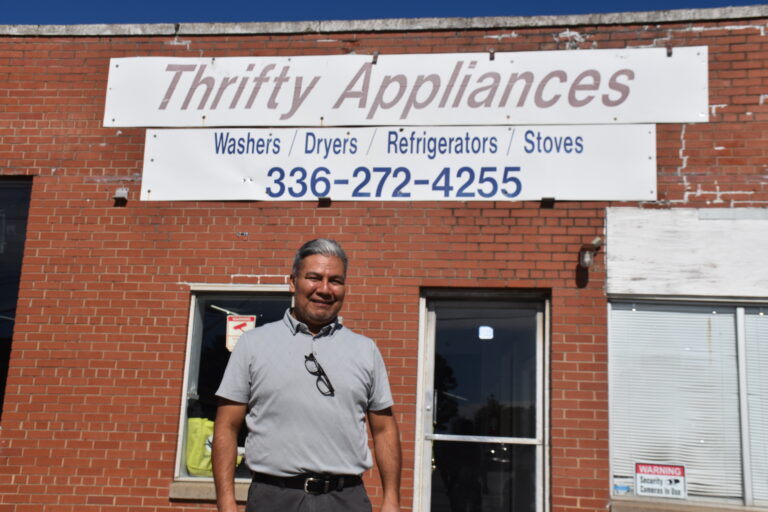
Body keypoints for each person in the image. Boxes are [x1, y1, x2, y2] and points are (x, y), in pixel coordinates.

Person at [212, 238, 401, 512]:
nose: (324, 289)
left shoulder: (366, 350)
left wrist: (392, 499)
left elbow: (384, 429)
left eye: (335, 281)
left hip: (345, 500)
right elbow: (226, 426)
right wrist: (226, 502)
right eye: (314, 278)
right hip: (273, 499)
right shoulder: (252, 344)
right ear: (292, 282)